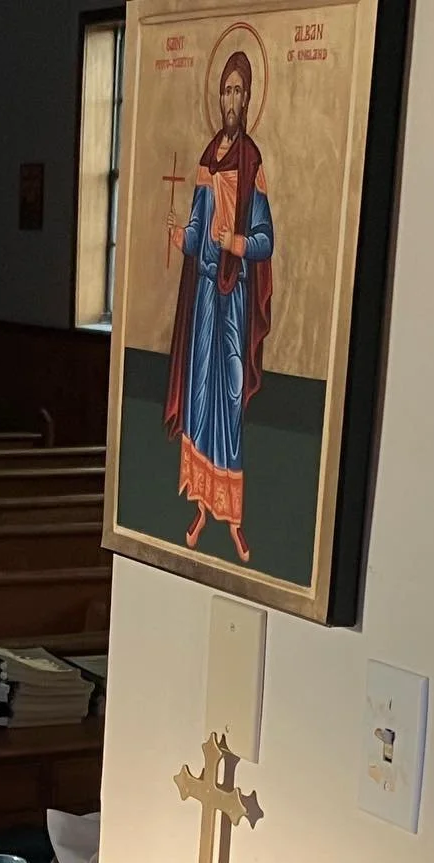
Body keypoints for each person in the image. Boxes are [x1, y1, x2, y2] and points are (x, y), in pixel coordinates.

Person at [164, 51, 274, 565]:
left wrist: (235, 242)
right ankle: (202, 508)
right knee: (200, 395)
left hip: (233, 299)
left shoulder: (253, 163)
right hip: (205, 295)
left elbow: (265, 240)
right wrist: (183, 237)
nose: (230, 100)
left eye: (237, 91)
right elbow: (195, 226)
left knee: (229, 398)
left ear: (248, 97)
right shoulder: (208, 160)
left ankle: (233, 519)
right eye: (224, 91)